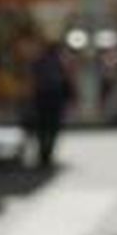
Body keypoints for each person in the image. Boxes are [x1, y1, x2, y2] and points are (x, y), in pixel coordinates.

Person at [25, 39, 72, 167]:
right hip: (53, 98)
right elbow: (66, 80)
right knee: (51, 127)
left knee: (43, 126)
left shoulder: (38, 62)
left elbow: (32, 80)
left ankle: (44, 153)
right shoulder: (59, 63)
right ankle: (46, 153)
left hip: (43, 97)